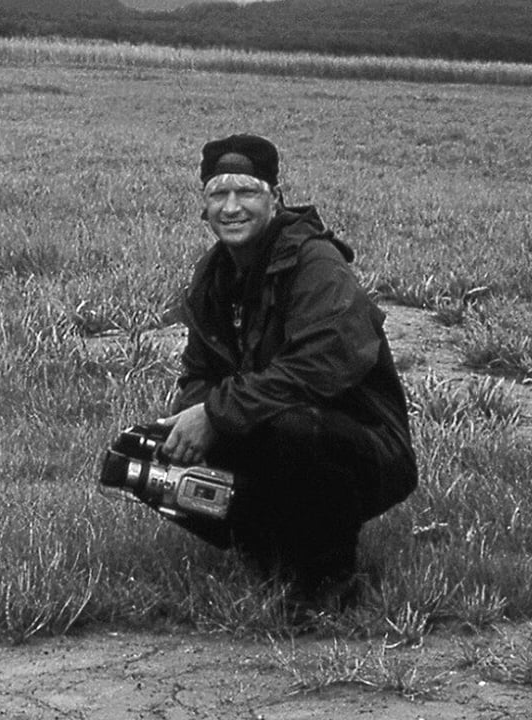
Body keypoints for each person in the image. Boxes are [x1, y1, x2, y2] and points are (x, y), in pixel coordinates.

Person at [156, 133, 418, 613]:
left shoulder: (317, 263)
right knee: (145, 460)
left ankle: (329, 583)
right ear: (203, 205)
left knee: (290, 427)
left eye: (247, 192)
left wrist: (215, 415)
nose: (231, 207)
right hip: (266, 428)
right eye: (218, 193)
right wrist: (191, 417)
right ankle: (267, 547)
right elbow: (198, 370)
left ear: (274, 198)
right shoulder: (212, 276)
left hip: (358, 445)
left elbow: (320, 367)